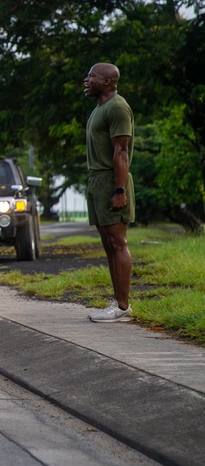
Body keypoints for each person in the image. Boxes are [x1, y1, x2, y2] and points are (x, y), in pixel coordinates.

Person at [83, 63, 136, 323]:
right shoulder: (99, 109)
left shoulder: (117, 107)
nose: (86, 79)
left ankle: (123, 307)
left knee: (118, 243)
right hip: (97, 180)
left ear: (107, 81)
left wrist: (119, 190)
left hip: (111, 180)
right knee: (108, 245)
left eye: (92, 76)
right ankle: (117, 302)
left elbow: (121, 151)